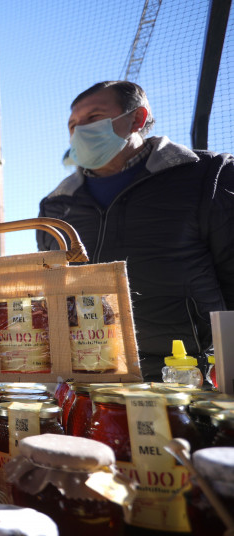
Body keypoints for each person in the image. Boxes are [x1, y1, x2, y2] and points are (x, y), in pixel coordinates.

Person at [37, 81, 234, 380]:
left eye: (93, 118)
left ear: (137, 119)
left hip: (185, 375)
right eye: (73, 125)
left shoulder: (209, 176)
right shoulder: (56, 205)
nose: (79, 131)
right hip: (90, 374)